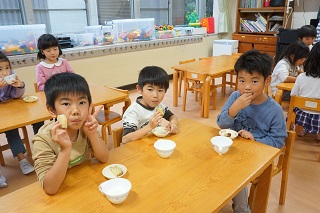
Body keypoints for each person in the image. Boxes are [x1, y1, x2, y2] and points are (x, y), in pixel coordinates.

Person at [217, 50, 287, 213]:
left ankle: (242, 208)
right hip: (234, 151)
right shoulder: (235, 97)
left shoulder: (274, 110)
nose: (247, 87)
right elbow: (222, 124)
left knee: (235, 172)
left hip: (258, 155)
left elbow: (277, 142)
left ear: (267, 81)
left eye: (254, 81)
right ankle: (217, 201)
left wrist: (254, 139)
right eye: (242, 80)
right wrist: (234, 109)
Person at [32, 72, 109, 195]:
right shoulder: (43, 139)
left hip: (86, 185)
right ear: (52, 110)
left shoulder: (85, 127)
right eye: (66, 104)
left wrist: (92, 134)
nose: (76, 111)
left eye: (82, 103)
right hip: (63, 191)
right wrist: (65, 150)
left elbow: (104, 158)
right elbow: (50, 189)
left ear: (90, 106)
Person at [0, 51, 41, 175]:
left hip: (13, 109)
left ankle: (43, 150)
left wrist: (20, 85)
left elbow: (16, 96)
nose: (5, 72)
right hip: (3, 116)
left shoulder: (11, 75)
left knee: (38, 119)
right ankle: (22, 160)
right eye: (0, 69)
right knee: (11, 130)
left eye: (7, 68)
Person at [122, 66, 178, 144]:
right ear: (139, 89)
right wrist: (149, 127)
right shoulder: (133, 112)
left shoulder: (159, 106)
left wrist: (173, 123)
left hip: (153, 143)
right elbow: (125, 139)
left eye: (160, 90)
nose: (155, 95)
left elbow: (172, 116)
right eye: (150, 90)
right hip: (138, 148)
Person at [290, 42, 320, 139]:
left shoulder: (301, 77)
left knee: (299, 108)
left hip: (301, 115)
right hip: (318, 118)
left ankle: (300, 129)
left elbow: (293, 95)